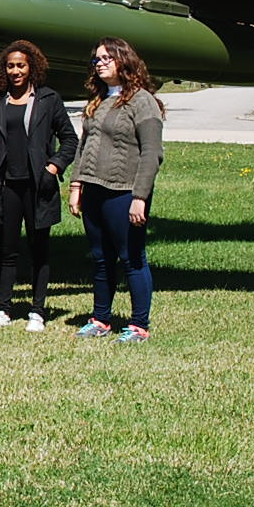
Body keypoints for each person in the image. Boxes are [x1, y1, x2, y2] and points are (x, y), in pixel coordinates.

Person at [71, 37, 165, 343]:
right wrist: (76, 185)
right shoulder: (97, 100)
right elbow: (83, 147)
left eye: (106, 58)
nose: (99, 64)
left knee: (131, 257)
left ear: (124, 61)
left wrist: (140, 197)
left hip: (124, 191)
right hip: (94, 190)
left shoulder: (141, 101)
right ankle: (101, 319)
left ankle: (139, 324)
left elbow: (152, 153)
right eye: (96, 59)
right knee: (100, 258)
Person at [0, 40, 76, 333]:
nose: (16, 71)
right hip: (6, 185)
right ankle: (4, 308)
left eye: (21, 65)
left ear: (31, 66)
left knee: (39, 249)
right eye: (10, 66)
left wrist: (54, 165)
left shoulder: (48, 99)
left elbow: (70, 139)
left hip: (38, 186)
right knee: (7, 249)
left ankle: (37, 310)